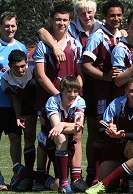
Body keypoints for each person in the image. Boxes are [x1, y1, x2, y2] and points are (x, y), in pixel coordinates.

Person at [33, 4, 85, 192]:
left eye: (64, 20)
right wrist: (58, 96)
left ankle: (75, 177)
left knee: (76, 135)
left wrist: (75, 93)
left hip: (71, 98)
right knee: (48, 136)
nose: (61, 23)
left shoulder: (76, 43)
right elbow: (40, 75)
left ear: (69, 21)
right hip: (50, 99)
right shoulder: (42, 45)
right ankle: (40, 176)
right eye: (58, 20)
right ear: (52, 21)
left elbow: (79, 74)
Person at [81, 0, 125, 184]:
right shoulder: (98, 36)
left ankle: (116, 176)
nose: (116, 18)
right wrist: (106, 77)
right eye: (112, 15)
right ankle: (94, 175)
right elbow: (86, 64)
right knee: (100, 131)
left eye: (119, 15)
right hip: (101, 91)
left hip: (120, 92)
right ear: (105, 17)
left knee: (117, 131)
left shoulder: (123, 36)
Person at [93, 75, 133, 187]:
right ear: (125, 91)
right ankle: (124, 180)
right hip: (116, 146)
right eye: (132, 91)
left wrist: (121, 136)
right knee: (105, 184)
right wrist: (108, 130)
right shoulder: (117, 103)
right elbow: (100, 130)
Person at [37, 75, 85, 193]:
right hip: (47, 137)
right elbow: (55, 127)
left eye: (75, 91)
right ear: (61, 90)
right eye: (69, 91)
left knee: (64, 137)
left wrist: (62, 124)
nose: (73, 94)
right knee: (61, 136)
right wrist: (64, 126)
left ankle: (23, 171)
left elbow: (78, 127)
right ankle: (62, 181)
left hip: (66, 140)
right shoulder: (53, 100)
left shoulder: (80, 101)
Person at [1, 50, 37, 190]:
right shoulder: (5, 79)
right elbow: (15, 99)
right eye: (16, 67)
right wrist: (18, 116)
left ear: (26, 63)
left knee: (33, 138)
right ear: (9, 65)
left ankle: (36, 175)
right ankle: (25, 176)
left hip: (38, 106)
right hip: (24, 107)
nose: (20, 69)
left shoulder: (34, 70)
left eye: (23, 66)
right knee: (26, 137)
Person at [0, 11, 28, 191]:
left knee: (15, 139)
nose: (10, 29)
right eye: (6, 25)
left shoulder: (21, 47)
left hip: (13, 104)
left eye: (13, 25)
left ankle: (17, 175)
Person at [38, 0, 102, 62]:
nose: (87, 16)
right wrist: (55, 47)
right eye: (83, 13)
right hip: (75, 67)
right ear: (77, 13)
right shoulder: (70, 26)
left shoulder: (102, 27)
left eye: (89, 12)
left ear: (94, 11)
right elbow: (42, 31)